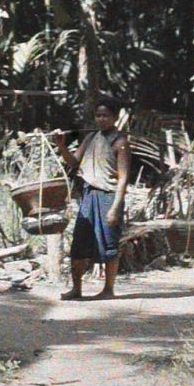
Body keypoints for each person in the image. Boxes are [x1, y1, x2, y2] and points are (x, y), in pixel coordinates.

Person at [55, 95, 131, 301]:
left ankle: (108, 289)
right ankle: (76, 288)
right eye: (98, 115)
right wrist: (62, 146)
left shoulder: (120, 141)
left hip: (108, 196)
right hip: (88, 195)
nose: (101, 119)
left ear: (115, 117)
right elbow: (73, 162)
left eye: (106, 115)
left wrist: (115, 207)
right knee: (79, 242)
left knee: (109, 243)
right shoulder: (90, 138)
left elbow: (123, 178)